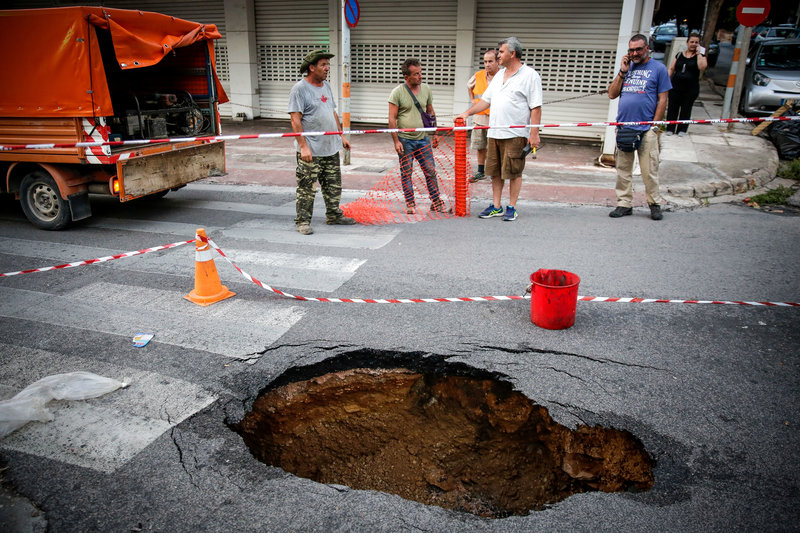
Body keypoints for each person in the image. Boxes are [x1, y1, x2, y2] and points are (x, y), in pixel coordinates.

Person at [456, 37, 542, 222]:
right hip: (495, 132)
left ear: (513, 54)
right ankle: (496, 206)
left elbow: (536, 107)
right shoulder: (498, 77)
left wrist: (534, 134)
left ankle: (512, 206)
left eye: (501, 52)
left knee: (513, 171)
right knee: (494, 172)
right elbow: (485, 101)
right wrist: (467, 113)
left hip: (515, 134)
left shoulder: (530, 75)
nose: (498, 55)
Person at [288, 50, 355, 235]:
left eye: (328, 65)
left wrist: (340, 136)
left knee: (333, 184)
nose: (327, 68)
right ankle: (302, 221)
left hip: (330, 146)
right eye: (323, 65)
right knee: (307, 188)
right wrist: (303, 147)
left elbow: (332, 112)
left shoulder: (326, 86)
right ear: (311, 68)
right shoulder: (299, 89)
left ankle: (333, 215)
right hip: (311, 149)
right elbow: (295, 119)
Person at [607, 34, 671, 221]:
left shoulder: (658, 69)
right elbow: (612, 94)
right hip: (624, 127)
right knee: (623, 169)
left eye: (638, 49)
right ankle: (624, 203)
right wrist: (622, 71)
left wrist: (655, 126)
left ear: (647, 48)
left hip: (646, 129)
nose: (634, 53)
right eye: (631, 50)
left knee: (649, 170)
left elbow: (663, 99)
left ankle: (654, 203)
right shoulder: (627, 69)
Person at [388, 58, 447, 215]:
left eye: (420, 72)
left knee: (430, 171)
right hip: (405, 140)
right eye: (416, 74)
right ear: (406, 77)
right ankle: (410, 203)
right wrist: (396, 141)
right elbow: (391, 119)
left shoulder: (426, 89)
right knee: (407, 172)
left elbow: (430, 112)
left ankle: (436, 202)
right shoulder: (397, 93)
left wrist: (435, 133)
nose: (420, 76)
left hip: (422, 139)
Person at [467, 49, 500, 183]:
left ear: (498, 61)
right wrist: (473, 101)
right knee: (480, 146)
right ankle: (481, 171)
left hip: (496, 118)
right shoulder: (478, 75)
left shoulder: (503, 76)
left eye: (490, 61)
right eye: (485, 62)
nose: (487, 64)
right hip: (480, 117)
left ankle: (495, 171)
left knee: (495, 147)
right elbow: (469, 86)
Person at [666, 32, 707, 136]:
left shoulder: (701, 55)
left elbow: (702, 67)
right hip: (676, 87)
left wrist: (699, 54)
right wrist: (666, 82)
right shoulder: (680, 54)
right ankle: (670, 128)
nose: (693, 44)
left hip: (690, 88)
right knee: (672, 108)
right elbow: (671, 68)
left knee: (686, 109)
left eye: (696, 42)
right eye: (692, 42)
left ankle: (682, 129)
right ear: (687, 42)